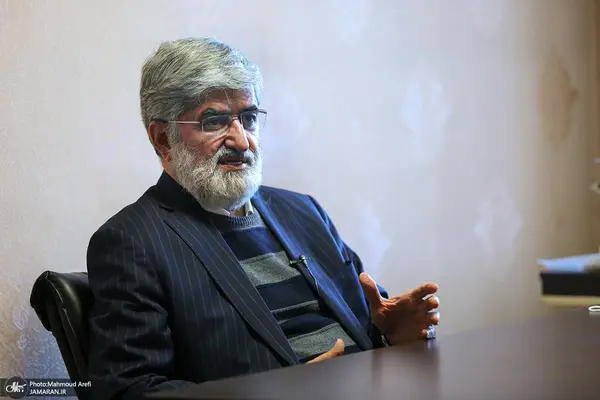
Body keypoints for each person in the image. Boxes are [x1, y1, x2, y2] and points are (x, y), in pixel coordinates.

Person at [86, 37, 440, 400]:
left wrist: (388, 335)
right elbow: (128, 389)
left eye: (249, 118)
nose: (242, 141)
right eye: (215, 121)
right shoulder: (132, 242)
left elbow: (367, 323)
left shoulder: (303, 211)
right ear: (163, 139)